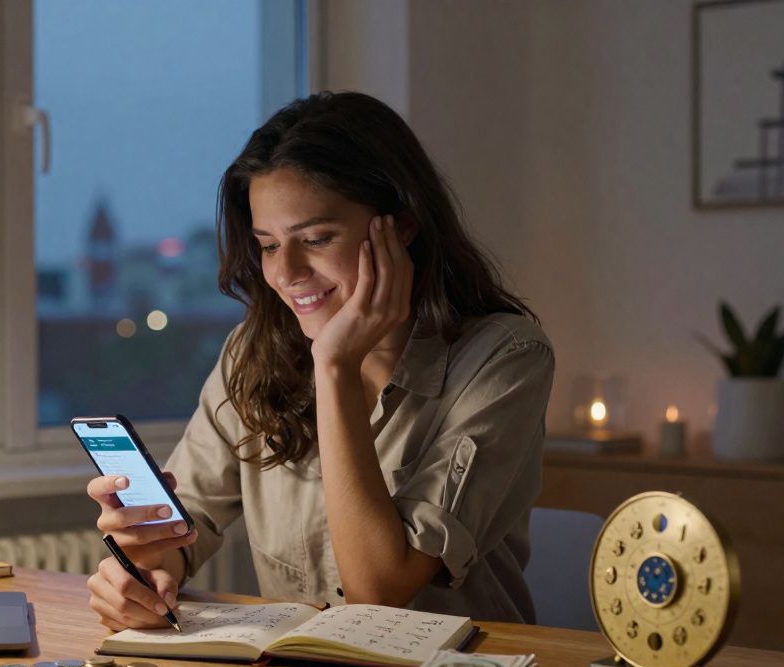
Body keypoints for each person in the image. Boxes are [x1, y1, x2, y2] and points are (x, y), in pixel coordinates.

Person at [85, 91, 554, 631]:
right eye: (267, 245)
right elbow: (182, 530)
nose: (285, 272)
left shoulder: (507, 357)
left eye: (316, 238)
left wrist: (334, 366)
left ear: (401, 226)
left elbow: (377, 589)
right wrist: (141, 574)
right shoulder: (252, 352)